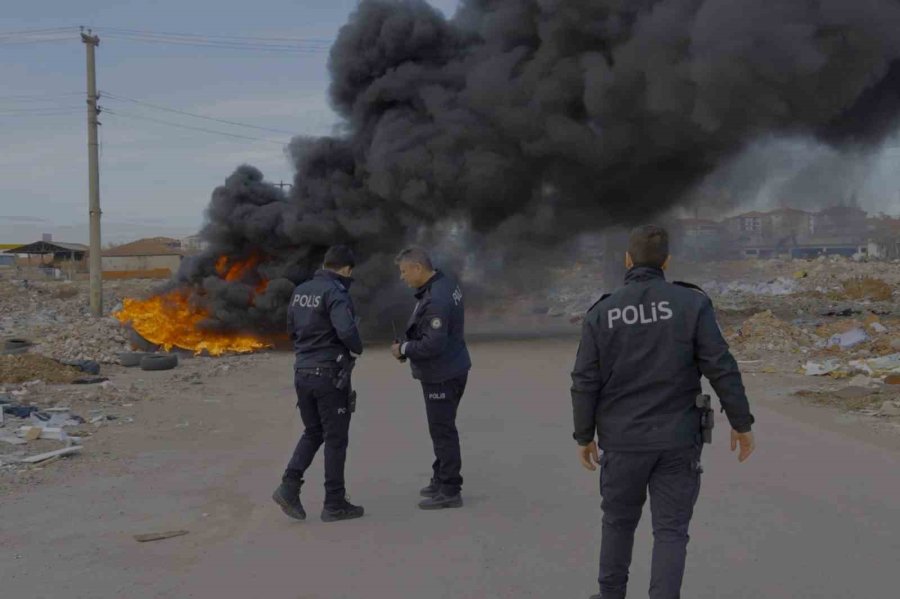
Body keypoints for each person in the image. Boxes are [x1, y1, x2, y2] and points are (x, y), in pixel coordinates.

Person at [570, 225, 756, 599]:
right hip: (678, 441)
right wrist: (742, 422)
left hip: (622, 442)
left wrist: (583, 435)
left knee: (618, 523)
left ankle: (610, 595)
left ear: (627, 260)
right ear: (667, 262)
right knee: (670, 531)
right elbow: (720, 365)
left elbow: (584, 380)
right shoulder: (691, 304)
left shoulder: (602, 313)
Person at [273, 245, 365, 523]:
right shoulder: (336, 293)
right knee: (336, 438)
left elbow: (290, 329)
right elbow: (346, 330)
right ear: (346, 269)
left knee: (313, 431)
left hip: (302, 372)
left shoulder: (301, 291)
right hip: (328, 375)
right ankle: (334, 503)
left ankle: (289, 485)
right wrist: (357, 346)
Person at [391, 247, 471, 510]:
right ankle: (440, 478)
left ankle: (450, 489)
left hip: (442, 373)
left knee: (442, 430)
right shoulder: (444, 283)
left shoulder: (436, 297)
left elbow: (432, 345)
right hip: (453, 367)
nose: (402, 277)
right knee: (441, 427)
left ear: (417, 268)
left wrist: (403, 349)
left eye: (404, 271)